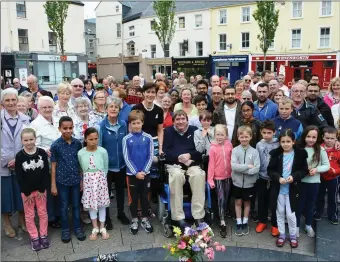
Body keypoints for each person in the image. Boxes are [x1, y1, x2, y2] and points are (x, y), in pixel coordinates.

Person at [163, 110, 206, 229]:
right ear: (173, 121)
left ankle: (198, 216)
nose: (181, 121)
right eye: (177, 119)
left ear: (187, 120)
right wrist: (178, 158)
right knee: (176, 176)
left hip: (191, 163)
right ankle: (178, 217)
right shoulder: (167, 132)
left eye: (183, 119)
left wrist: (189, 156)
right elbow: (165, 154)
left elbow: (200, 150)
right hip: (175, 164)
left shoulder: (195, 130)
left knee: (198, 175)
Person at [267, 129, 309, 248]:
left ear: (293, 142)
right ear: (280, 142)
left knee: (291, 214)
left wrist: (294, 177)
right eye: (283, 141)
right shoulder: (276, 154)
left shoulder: (300, 154)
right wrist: (277, 178)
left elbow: (304, 170)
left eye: (288, 141)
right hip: (279, 189)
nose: (285, 144)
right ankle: (282, 234)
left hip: (292, 189)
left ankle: (293, 235)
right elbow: (270, 170)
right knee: (279, 212)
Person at [50, 116, 86, 243]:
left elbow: (80, 163)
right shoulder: (55, 145)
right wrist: (53, 184)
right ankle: (65, 229)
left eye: (70, 128)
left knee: (76, 205)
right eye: (65, 128)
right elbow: (53, 166)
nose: (68, 130)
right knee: (64, 206)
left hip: (76, 180)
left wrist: (81, 179)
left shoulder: (77, 143)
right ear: (59, 128)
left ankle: (77, 228)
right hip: (62, 181)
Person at [1, 88, 30, 238]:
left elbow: (29, 141)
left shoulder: (25, 119)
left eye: (13, 100)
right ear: (2, 103)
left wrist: (19, 159)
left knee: (21, 192)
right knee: (4, 195)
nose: (11, 103)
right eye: (7, 100)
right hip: (2, 164)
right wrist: (6, 160)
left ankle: (22, 219)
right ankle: (6, 223)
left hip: (21, 163)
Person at [15, 128, 50, 250]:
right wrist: (26, 192)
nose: (29, 142)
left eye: (31, 139)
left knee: (42, 213)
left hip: (41, 191)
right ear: (22, 141)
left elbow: (46, 172)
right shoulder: (19, 156)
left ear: (35, 139)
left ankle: (43, 235)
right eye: (26, 140)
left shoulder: (41, 153)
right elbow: (19, 176)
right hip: (27, 193)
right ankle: (34, 237)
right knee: (29, 215)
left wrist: (42, 189)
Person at [98, 96, 130, 229]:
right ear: (106, 109)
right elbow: (98, 148)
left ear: (119, 109)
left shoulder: (123, 124)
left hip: (121, 164)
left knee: (120, 192)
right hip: (107, 166)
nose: (113, 109)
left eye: (116, 107)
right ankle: (106, 218)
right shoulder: (101, 126)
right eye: (110, 106)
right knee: (105, 193)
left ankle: (121, 213)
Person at [123, 110, 154, 235]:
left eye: (138, 123)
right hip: (132, 175)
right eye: (133, 123)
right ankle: (135, 219)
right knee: (133, 198)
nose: (136, 125)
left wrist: (144, 171)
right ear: (130, 124)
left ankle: (145, 218)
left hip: (145, 174)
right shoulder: (126, 139)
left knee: (145, 197)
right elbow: (126, 157)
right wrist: (136, 172)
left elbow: (151, 155)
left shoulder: (148, 137)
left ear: (142, 123)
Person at [296, 126, 330, 238]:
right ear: (304, 136)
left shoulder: (320, 150)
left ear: (317, 138)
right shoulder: (299, 148)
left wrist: (316, 169)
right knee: (298, 205)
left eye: (313, 137)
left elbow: (326, 165)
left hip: (314, 182)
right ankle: (295, 227)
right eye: (308, 136)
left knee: (310, 205)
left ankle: (308, 224)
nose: (311, 139)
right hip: (301, 181)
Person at [78, 127, 110, 241]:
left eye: (96, 139)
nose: (94, 141)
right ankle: (95, 227)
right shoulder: (81, 153)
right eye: (91, 139)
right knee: (92, 205)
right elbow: (81, 169)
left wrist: (102, 177)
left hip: (100, 180)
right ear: (85, 139)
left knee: (101, 204)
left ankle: (102, 227)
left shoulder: (102, 151)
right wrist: (82, 181)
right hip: (88, 181)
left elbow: (106, 166)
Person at [231, 126, 260, 236]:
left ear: (251, 137)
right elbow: (234, 166)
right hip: (237, 183)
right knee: (238, 202)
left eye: (246, 137)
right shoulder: (235, 151)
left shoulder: (255, 152)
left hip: (249, 183)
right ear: (238, 137)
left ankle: (245, 222)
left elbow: (256, 168)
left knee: (247, 202)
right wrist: (248, 166)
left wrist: (243, 170)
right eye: (241, 137)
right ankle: (238, 222)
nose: (244, 139)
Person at [255, 120, 280, 236]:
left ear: (274, 132)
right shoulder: (259, 144)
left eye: (269, 133)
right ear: (261, 132)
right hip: (262, 177)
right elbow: (257, 159)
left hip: (275, 178)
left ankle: (275, 224)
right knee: (262, 200)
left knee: (274, 202)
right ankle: (262, 221)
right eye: (264, 133)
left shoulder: (278, 144)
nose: (266, 135)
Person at [207, 124, 232, 238]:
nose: (220, 137)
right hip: (218, 177)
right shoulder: (212, 148)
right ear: (214, 135)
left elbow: (232, 159)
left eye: (222, 134)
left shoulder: (229, 145)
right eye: (218, 134)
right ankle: (222, 221)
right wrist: (210, 179)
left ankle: (222, 214)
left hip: (228, 176)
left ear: (226, 135)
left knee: (226, 198)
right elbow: (211, 165)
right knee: (220, 198)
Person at [314, 127, 340, 225]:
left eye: (332, 138)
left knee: (332, 197)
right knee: (319, 195)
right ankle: (318, 212)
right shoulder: (319, 148)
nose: (329, 140)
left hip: (334, 178)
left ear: (336, 138)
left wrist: (336, 171)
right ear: (323, 137)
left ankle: (333, 215)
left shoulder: (338, 150)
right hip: (320, 176)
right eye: (327, 138)